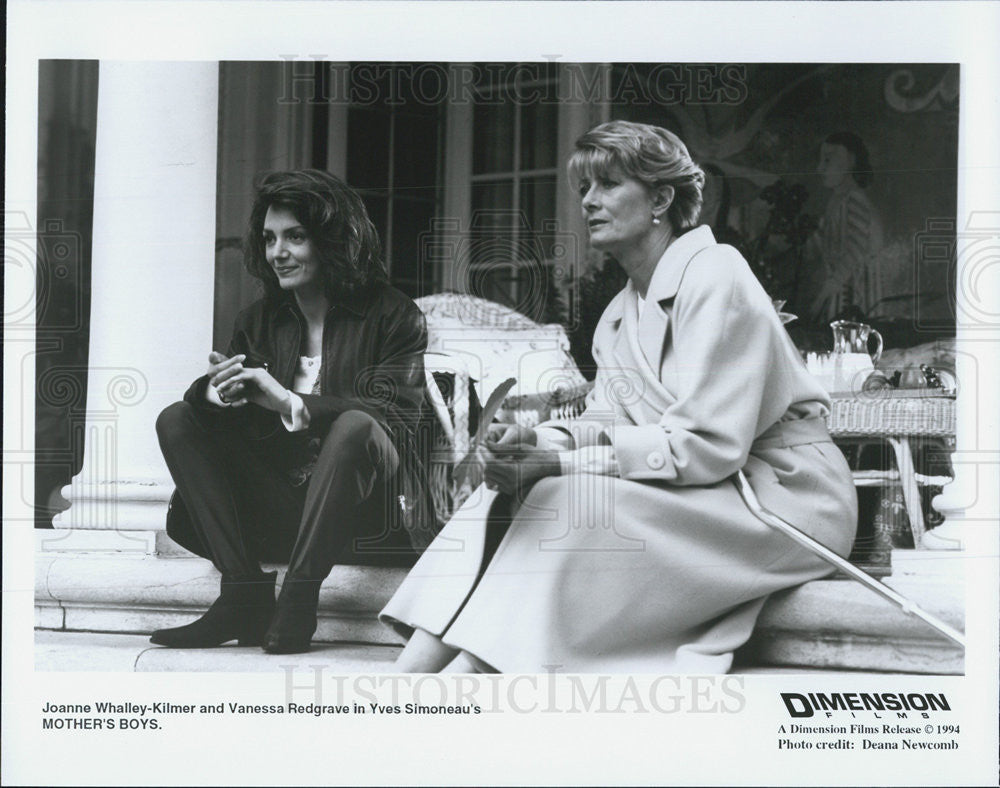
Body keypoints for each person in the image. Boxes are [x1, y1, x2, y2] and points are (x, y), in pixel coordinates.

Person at [379, 120, 858, 674]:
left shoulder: (716, 273)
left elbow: (708, 447)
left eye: (607, 185)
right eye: (584, 188)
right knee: (500, 492)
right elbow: (605, 417)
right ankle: (418, 665)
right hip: (707, 489)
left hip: (781, 496)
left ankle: (477, 668)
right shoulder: (618, 314)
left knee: (565, 500)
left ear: (660, 198)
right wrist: (532, 439)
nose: (589, 202)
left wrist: (556, 462)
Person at [151, 169, 434, 654]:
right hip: (285, 506)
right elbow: (227, 417)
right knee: (177, 416)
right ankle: (242, 593)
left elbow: (393, 416)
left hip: (369, 515)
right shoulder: (259, 320)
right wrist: (219, 394)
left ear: (332, 239)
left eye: (295, 237)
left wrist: (289, 401)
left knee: (355, 424)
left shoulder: (395, 314)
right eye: (269, 238)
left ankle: (299, 597)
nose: (277, 252)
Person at [810, 132, 884, 321]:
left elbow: (856, 251)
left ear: (850, 161)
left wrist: (826, 292)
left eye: (828, 160)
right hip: (839, 291)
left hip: (853, 295)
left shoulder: (854, 199)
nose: (820, 168)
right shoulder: (837, 201)